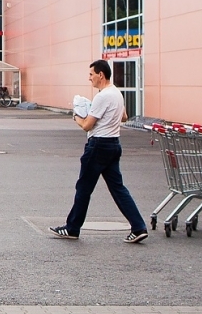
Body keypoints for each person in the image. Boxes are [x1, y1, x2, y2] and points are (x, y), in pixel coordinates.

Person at [50, 59, 149, 244]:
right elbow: (125, 117)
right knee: (118, 189)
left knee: (83, 188)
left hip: (98, 146)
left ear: (100, 75)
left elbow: (87, 125)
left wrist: (76, 117)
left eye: (91, 75)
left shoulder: (102, 96)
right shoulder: (117, 93)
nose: (90, 79)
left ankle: (72, 228)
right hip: (113, 144)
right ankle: (138, 227)